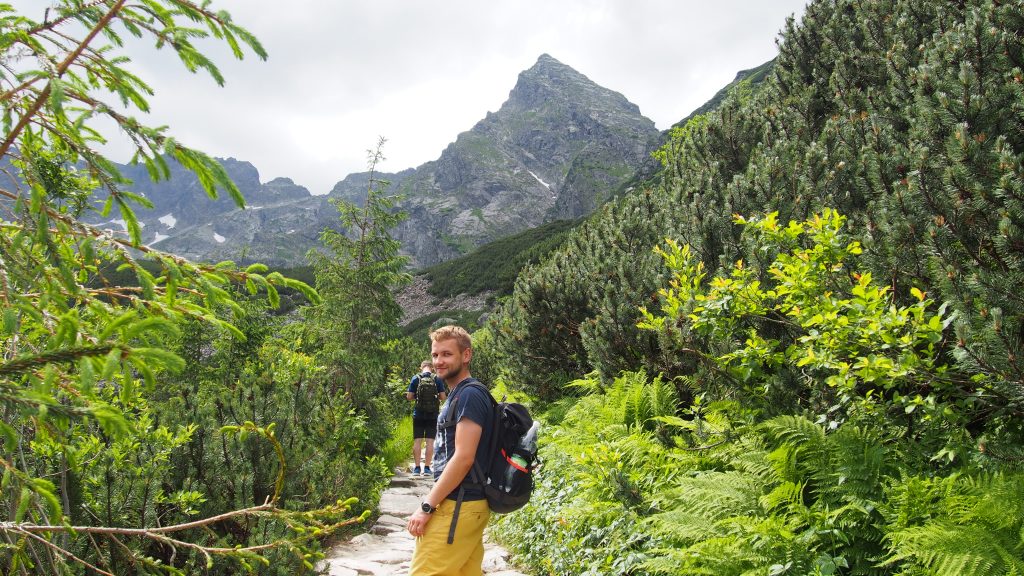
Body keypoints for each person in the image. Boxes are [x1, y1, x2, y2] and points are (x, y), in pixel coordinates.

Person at [407, 325, 494, 576]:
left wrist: (427, 506)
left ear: (466, 355)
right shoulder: (459, 393)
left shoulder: (469, 395)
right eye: (435, 355)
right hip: (469, 504)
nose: (438, 362)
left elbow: (464, 457)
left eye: (446, 354)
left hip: (459, 504)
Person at [406, 360, 446, 475]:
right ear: (432, 368)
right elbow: (443, 397)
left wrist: (418, 398)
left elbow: (409, 397)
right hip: (432, 414)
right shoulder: (436, 378)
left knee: (417, 441)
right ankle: (428, 468)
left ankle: (417, 468)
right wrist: (434, 398)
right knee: (430, 442)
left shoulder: (415, 378)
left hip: (418, 414)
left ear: (421, 368)